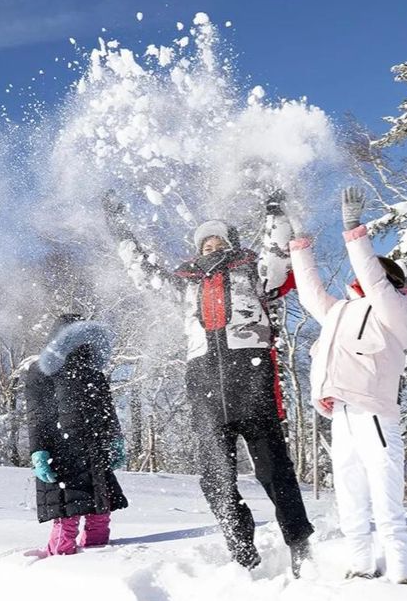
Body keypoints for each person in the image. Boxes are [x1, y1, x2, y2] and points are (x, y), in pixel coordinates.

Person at [102, 189, 314, 576]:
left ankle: (299, 544)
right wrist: (119, 227)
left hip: (252, 387)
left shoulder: (253, 272)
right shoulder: (185, 283)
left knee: (275, 474)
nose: (211, 244)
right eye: (205, 241)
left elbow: (279, 256)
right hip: (205, 394)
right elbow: (142, 272)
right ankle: (241, 549)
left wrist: (276, 212)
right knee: (216, 480)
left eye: (218, 239)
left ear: (231, 243)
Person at [288, 187, 407, 583]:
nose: (361, 278)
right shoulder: (341, 311)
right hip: (341, 412)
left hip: (375, 414)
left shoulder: (397, 310)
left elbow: (375, 283)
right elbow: (310, 291)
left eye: (372, 272)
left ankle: (402, 575)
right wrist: (299, 242)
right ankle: (361, 566)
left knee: (385, 497)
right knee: (349, 495)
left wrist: (354, 230)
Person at [25, 314, 128, 556]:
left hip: (95, 449)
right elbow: (37, 414)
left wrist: (115, 441)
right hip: (61, 451)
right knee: (66, 513)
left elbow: (107, 411)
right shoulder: (41, 371)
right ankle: (61, 564)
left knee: (100, 510)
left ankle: (101, 557)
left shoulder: (93, 371)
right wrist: (39, 451)